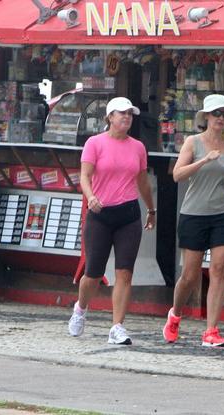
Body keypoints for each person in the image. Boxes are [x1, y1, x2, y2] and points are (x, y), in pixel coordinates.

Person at [68, 97, 157, 345]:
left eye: (130, 114)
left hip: (128, 213)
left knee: (125, 272)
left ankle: (117, 326)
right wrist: (91, 196)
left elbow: (142, 181)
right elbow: (85, 176)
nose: (126, 117)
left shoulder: (138, 147)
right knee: (93, 272)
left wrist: (151, 209)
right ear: (109, 117)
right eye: (121, 113)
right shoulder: (94, 143)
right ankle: (81, 308)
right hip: (100, 212)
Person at [163, 94, 224, 347]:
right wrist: (204, 160)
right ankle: (175, 314)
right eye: (216, 113)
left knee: (219, 270)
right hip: (194, 214)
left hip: (223, 213)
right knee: (190, 275)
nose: (220, 118)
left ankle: (211, 331)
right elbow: (177, 175)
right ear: (206, 117)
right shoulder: (192, 142)